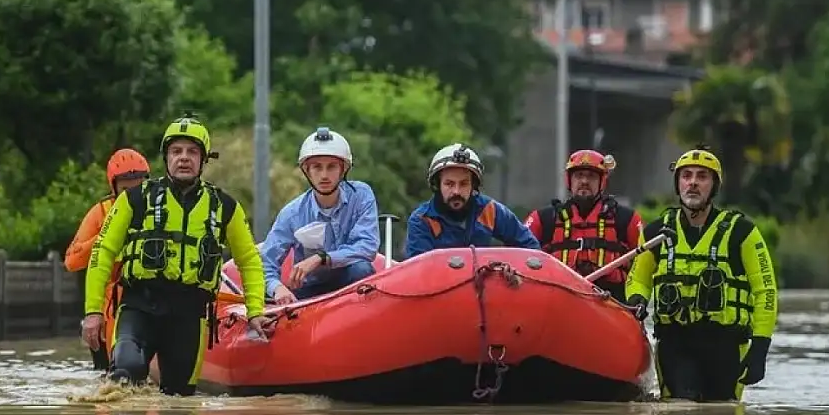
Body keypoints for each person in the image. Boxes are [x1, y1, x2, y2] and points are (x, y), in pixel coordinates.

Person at [83, 114, 270, 393]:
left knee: (180, 400)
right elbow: (103, 252)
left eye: (192, 151)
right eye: (176, 151)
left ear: (204, 159)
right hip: (139, 307)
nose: (184, 158)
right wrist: (93, 312)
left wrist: (255, 311)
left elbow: (249, 260)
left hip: (189, 316)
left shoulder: (225, 207)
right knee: (126, 373)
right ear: (166, 157)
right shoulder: (134, 199)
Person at [626, 146, 779, 402]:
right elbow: (638, 279)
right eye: (686, 176)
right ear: (678, 184)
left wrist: (760, 347)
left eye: (702, 176)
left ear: (714, 186)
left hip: (726, 346)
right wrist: (637, 299)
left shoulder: (742, 232)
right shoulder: (656, 233)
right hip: (675, 344)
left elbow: (765, 291)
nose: (693, 183)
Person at [260, 127, 380, 305]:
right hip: (308, 291)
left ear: (343, 169)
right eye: (317, 167)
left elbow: (367, 246)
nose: (324, 175)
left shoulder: (361, 195)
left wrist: (321, 258)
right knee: (274, 297)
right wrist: (278, 288)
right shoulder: (292, 213)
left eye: (331, 167)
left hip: (350, 284)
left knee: (362, 269)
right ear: (307, 171)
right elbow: (265, 262)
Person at [64, 148, 149, 373]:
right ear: (114, 188)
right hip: (109, 307)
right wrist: (106, 235)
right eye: (125, 190)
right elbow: (72, 261)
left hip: (145, 303)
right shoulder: (100, 212)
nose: (131, 196)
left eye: (138, 188)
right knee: (105, 375)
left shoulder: (157, 210)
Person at [524, 149, 644, 300]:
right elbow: (520, 257)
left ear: (602, 182)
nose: (584, 182)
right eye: (579, 175)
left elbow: (645, 264)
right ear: (569, 180)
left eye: (592, 176)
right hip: (558, 299)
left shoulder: (627, 219)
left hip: (611, 301)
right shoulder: (543, 219)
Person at [405, 143, 540, 259]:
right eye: (449, 184)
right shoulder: (421, 220)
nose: (456, 191)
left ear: (473, 186)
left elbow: (531, 249)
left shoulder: (490, 210)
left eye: (463, 184)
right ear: (437, 185)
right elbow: (418, 271)